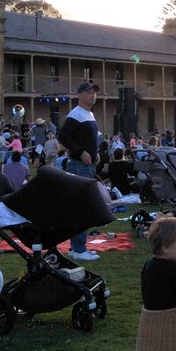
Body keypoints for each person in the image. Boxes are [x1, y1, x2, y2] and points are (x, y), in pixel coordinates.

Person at [58, 81, 102, 261]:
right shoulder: (75, 114)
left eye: (94, 93)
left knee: (83, 205)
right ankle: (78, 248)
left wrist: (95, 153)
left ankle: (77, 246)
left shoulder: (88, 114)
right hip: (79, 166)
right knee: (81, 206)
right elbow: (63, 136)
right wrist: (80, 152)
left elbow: (88, 138)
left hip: (88, 166)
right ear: (80, 95)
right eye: (89, 92)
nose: (93, 95)